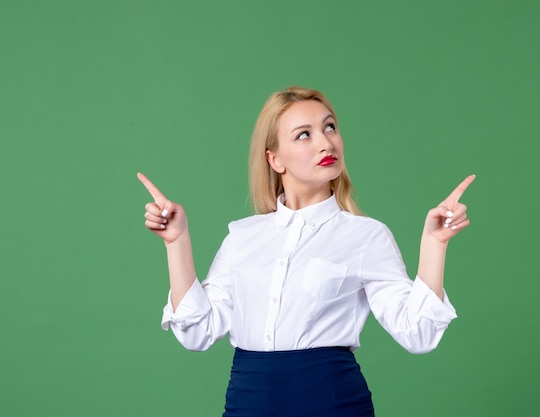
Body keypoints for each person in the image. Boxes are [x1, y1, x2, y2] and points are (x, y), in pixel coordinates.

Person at [138, 86, 475, 417]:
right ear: (275, 159)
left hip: (332, 402)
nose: (326, 142)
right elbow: (197, 332)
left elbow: (419, 334)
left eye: (330, 127)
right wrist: (176, 242)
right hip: (248, 402)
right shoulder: (242, 237)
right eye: (304, 135)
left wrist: (435, 244)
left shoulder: (366, 236)